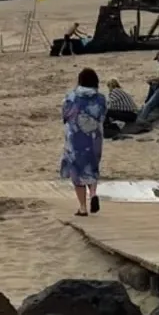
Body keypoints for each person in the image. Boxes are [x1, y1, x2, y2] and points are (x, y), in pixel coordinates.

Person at [59, 67, 107, 216]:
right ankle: (93, 194)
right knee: (92, 168)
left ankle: (82, 207)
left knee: (77, 172)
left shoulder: (71, 97)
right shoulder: (100, 98)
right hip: (94, 139)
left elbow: (65, 115)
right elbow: (102, 116)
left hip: (76, 139)